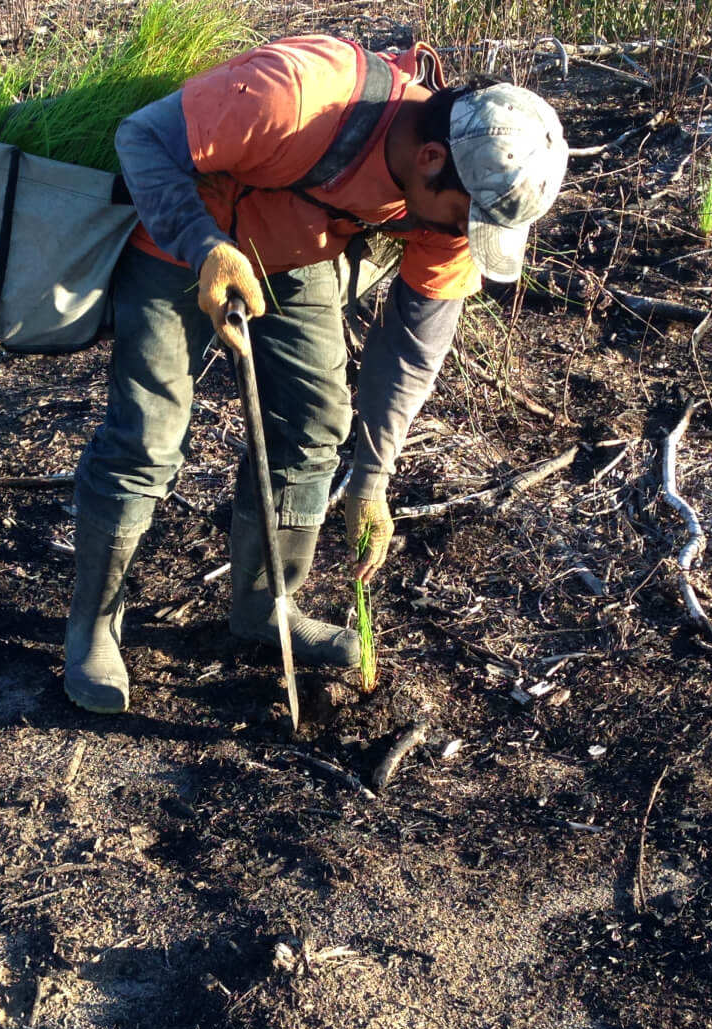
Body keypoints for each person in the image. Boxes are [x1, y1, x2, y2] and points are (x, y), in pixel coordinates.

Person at [63, 34, 568, 713]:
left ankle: (266, 608)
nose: (459, 234)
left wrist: (372, 480)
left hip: (293, 250)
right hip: (177, 238)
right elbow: (143, 139)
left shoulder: (450, 211)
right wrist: (204, 245)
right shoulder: (295, 94)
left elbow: (412, 349)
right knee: (149, 435)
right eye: (461, 215)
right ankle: (94, 626)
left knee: (313, 422)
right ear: (430, 159)